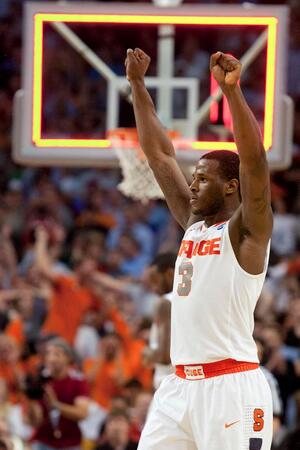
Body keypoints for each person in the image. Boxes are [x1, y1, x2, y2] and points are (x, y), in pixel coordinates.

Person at [125, 48, 273, 449]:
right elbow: (159, 155)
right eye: (194, 177)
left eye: (202, 179)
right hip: (179, 387)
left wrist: (232, 93)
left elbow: (255, 164)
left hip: (230, 386)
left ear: (230, 186)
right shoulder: (193, 226)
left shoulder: (247, 233)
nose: (192, 185)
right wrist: (138, 86)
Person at [27, 337, 89, 450]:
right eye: (48, 354)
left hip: (69, 441)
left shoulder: (77, 382)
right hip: (43, 440)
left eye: (57, 354)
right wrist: (31, 400)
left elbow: (82, 413)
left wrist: (56, 405)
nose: (51, 358)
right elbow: (35, 421)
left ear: (68, 358)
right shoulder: (41, 381)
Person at [143, 252, 177, 389]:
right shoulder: (193, 299)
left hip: (169, 382)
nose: (154, 288)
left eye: (155, 280)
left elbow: (165, 357)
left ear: (169, 274)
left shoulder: (165, 302)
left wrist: (148, 353)